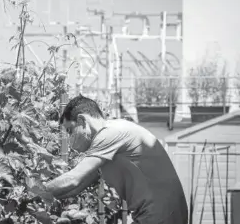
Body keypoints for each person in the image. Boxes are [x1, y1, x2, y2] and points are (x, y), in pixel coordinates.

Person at [44, 95, 188, 224]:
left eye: (70, 130)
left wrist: (33, 193)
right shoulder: (108, 143)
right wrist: (43, 198)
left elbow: (73, 179)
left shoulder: (109, 133)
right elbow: (77, 186)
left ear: (82, 121)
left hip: (160, 215)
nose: (69, 140)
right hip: (161, 213)